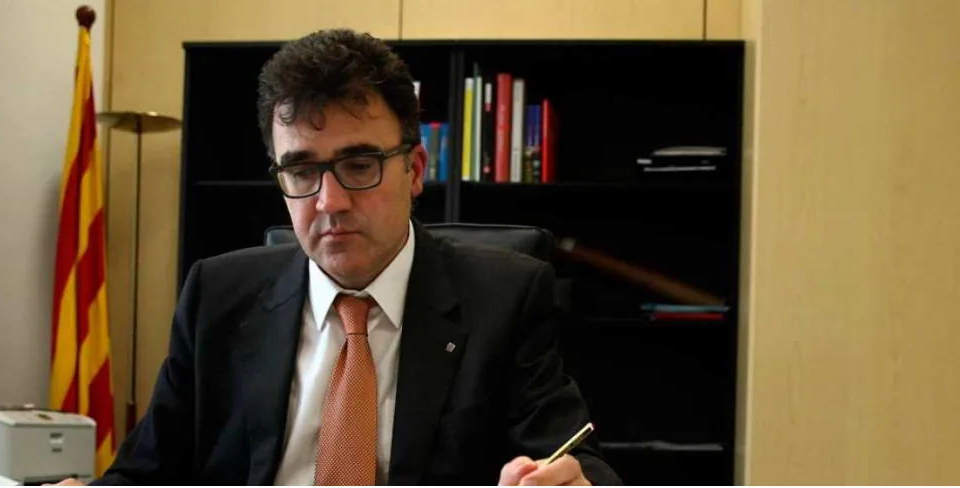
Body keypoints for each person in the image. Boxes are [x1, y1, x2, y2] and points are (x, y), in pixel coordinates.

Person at [68, 28, 621, 486]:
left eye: (359, 165)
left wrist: (576, 482)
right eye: (301, 170)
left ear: (415, 170)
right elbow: (146, 473)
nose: (329, 201)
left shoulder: (504, 297)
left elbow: (577, 459)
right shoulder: (217, 295)